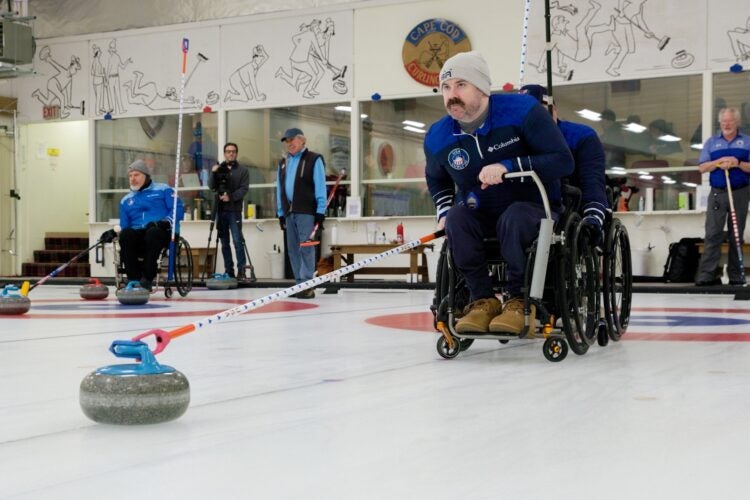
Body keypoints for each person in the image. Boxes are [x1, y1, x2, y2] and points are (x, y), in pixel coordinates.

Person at [424, 51, 574, 335]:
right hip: (480, 210)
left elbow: (562, 160)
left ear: (481, 88)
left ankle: (518, 300)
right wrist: (443, 209)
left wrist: (509, 165)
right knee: (457, 219)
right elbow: (436, 179)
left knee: (514, 217)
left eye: (460, 85)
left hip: (533, 206)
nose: (451, 94)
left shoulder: (523, 111)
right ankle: (482, 300)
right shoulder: (438, 136)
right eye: (445, 87)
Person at [520, 84, 609, 244]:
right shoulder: (515, 141)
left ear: (553, 110)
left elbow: (592, 179)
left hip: (572, 205)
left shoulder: (581, 136)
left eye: (537, 111)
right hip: (530, 210)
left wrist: (593, 216)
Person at [695, 107, 750, 286]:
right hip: (718, 193)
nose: (726, 124)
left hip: (740, 193)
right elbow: (702, 167)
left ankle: (736, 276)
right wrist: (717, 163)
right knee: (712, 234)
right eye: (723, 121)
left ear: (737, 122)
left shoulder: (747, 142)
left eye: (730, 121)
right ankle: (706, 276)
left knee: (736, 235)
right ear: (720, 123)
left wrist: (738, 163)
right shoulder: (711, 142)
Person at [114, 159, 184, 291]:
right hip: (139, 234)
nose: (132, 179)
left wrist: (165, 222)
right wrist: (114, 232)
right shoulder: (126, 200)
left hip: (161, 231)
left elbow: (178, 209)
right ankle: (134, 278)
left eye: (136, 175)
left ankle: (147, 278)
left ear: (146, 176)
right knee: (126, 235)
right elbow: (124, 225)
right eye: (130, 176)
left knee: (153, 233)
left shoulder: (163, 189)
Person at [276, 127, 327, 299]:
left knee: (306, 248)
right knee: (292, 249)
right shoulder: (283, 163)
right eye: (287, 141)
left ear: (302, 140)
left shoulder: (314, 159)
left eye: (292, 140)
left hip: (306, 210)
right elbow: (279, 188)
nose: (289, 144)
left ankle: (307, 284)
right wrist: (280, 212)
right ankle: (299, 284)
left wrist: (321, 210)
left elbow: (320, 185)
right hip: (289, 212)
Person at [209, 142, 250, 280]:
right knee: (224, 242)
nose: (231, 153)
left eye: (233, 151)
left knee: (238, 241)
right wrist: (213, 173)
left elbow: (244, 189)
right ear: (224, 153)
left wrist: (230, 197)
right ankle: (229, 271)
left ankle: (242, 271)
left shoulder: (243, 170)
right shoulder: (219, 168)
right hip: (221, 210)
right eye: (228, 151)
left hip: (235, 210)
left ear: (236, 153)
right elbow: (211, 186)